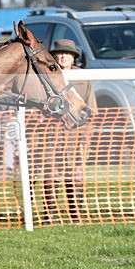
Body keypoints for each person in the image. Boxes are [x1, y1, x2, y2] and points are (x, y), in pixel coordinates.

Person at [32, 39, 97, 223]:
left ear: (74, 57)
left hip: (76, 135)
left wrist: (86, 138)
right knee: (51, 174)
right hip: (51, 135)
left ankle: (75, 214)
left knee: (74, 174)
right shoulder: (47, 75)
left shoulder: (83, 77)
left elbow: (91, 109)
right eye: (60, 53)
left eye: (67, 53)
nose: (63, 56)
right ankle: (49, 214)